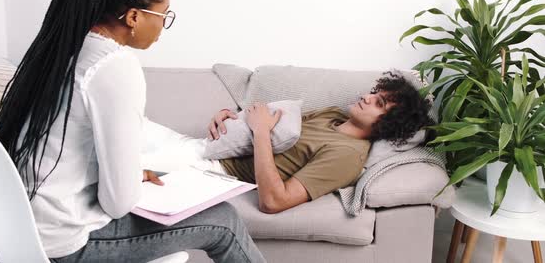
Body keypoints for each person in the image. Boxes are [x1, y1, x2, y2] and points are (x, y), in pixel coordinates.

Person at [0, 0, 265, 263]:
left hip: (27, 231)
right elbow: (117, 204)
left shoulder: (61, 49)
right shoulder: (112, 68)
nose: (163, 25)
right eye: (163, 14)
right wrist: (129, 183)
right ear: (133, 17)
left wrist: (129, 173)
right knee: (225, 221)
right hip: (69, 245)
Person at [142, 73, 434, 214]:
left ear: (389, 125)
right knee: (120, 128)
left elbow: (274, 202)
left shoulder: (347, 156)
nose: (368, 97)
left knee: (117, 155)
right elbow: (271, 124)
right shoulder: (333, 115)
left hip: (210, 170)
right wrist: (229, 118)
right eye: (375, 92)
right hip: (203, 147)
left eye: (379, 102)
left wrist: (259, 133)